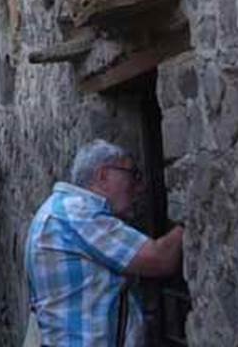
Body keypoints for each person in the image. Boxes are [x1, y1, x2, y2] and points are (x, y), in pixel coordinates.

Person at [24, 139, 184, 347]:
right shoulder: (77, 214)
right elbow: (160, 259)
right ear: (103, 176)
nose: (140, 187)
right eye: (133, 175)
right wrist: (189, 221)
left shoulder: (58, 210)